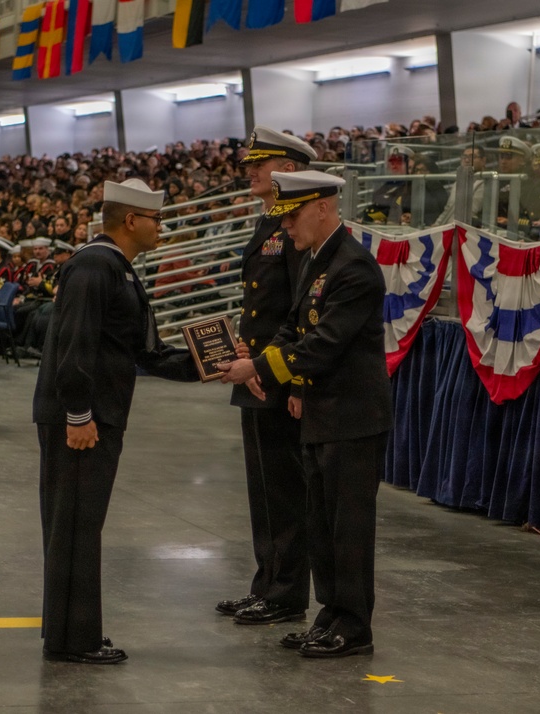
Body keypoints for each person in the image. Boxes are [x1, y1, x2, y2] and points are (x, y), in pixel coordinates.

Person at [220, 170, 393, 658]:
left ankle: (354, 624)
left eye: (293, 216)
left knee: (349, 528)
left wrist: (259, 367)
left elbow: (322, 344)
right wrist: (263, 367)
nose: (287, 228)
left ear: (323, 207)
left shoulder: (353, 267)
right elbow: (293, 329)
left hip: (353, 418)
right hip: (322, 413)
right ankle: (331, 613)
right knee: (320, 525)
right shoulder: (317, 262)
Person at [32, 178, 199, 665]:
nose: (161, 227)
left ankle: (73, 632)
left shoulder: (115, 268)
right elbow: (74, 346)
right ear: (131, 220)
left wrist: (212, 364)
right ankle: (72, 640)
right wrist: (79, 415)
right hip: (81, 419)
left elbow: (144, 351)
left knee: (80, 524)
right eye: (156, 219)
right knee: (75, 526)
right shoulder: (94, 266)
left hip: (93, 415)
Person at [215, 126, 316, 627]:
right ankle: (268, 582)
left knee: (283, 488)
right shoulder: (270, 222)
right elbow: (259, 303)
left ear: (290, 170)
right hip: (254, 369)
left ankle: (287, 592)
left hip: (276, 372)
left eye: (260, 163)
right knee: (263, 488)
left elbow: (300, 310)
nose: (249, 170)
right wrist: (241, 346)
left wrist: (288, 378)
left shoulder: (297, 225)